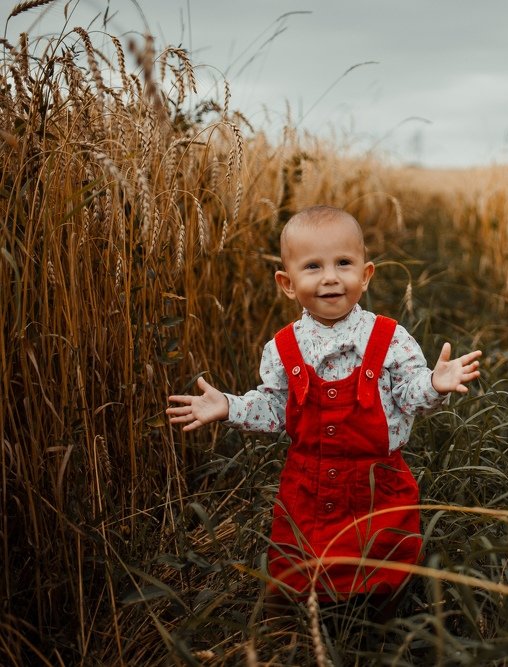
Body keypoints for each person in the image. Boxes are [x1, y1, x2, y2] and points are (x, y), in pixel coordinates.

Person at [166, 205, 482, 615]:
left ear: (365, 276)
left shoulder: (388, 339)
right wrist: (230, 405)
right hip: (307, 489)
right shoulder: (282, 348)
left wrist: (433, 384)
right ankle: (293, 627)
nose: (331, 277)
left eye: (344, 263)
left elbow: (407, 395)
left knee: (382, 568)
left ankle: (380, 625)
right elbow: (276, 408)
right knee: (296, 571)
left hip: (376, 487)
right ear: (287, 283)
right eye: (313, 266)